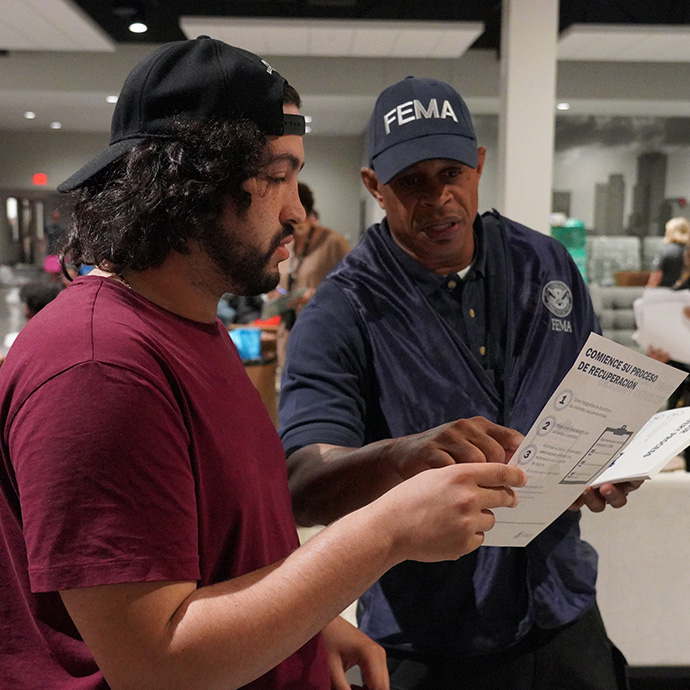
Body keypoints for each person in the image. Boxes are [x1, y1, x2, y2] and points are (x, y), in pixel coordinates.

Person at [0, 39, 528, 690]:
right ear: (188, 184)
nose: (297, 211)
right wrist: (385, 533)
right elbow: (154, 662)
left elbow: (224, 553)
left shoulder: (188, 327)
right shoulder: (97, 366)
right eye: (277, 176)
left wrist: (304, 626)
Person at [279, 76, 639, 690]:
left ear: (478, 165)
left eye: (451, 173)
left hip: (562, 613)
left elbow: (596, 400)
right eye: (412, 181)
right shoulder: (343, 311)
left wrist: (610, 458)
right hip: (428, 636)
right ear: (374, 187)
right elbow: (304, 483)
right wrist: (402, 457)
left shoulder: (545, 265)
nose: (439, 198)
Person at [273, 181, 350, 369]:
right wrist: (276, 293)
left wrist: (316, 296)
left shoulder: (333, 243)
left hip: (322, 334)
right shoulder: (285, 243)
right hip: (287, 331)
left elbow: (353, 289)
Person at [646, 216, 690, 288]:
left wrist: (648, 291)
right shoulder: (687, 251)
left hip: (666, 293)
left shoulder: (666, 251)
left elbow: (656, 276)